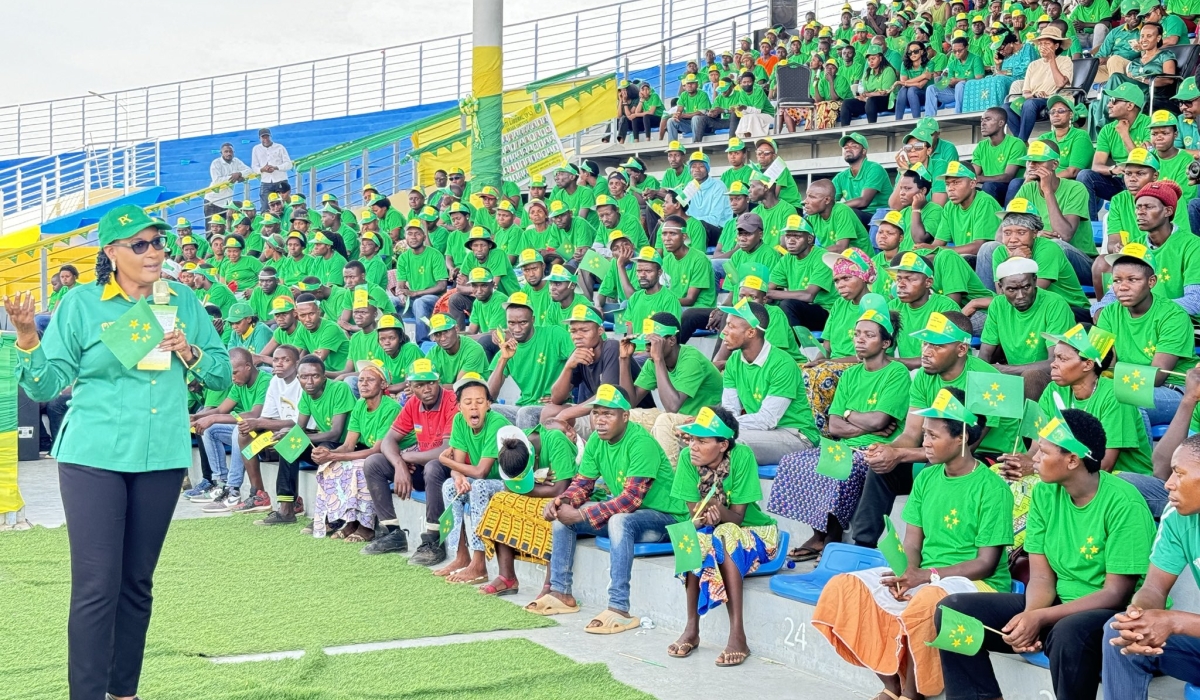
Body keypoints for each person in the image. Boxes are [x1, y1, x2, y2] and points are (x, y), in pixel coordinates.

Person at [5, 204, 231, 700]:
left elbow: (221, 374)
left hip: (162, 457)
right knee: (96, 586)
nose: (155, 253)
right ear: (111, 252)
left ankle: (122, 692)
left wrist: (189, 351)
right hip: (94, 456)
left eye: (158, 243)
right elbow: (46, 385)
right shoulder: (82, 304)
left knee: (137, 584)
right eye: (141, 245)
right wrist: (27, 338)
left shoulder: (183, 299)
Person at [938, 409, 1155, 700]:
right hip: (1057, 605)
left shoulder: (1124, 503)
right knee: (953, 610)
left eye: (1044, 451)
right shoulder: (1043, 493)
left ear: (1073, 460)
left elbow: (1115, 594)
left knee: (1068, 634)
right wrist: (1029, 618)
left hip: (1111, 617)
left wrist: (1041, 617)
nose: (1035, 458)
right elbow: (1040, 575)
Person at [814, 387, 1013, 700]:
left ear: (960, 437)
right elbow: (912, 543)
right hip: (928, 576)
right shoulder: (926, 478)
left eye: (933, 436)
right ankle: (892, 687)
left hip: (976, 584)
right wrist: (905, 574)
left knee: (926, 600)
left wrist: (926, 576)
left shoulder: (992, 487)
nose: (925, 443)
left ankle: (913, 693)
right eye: (924, 434)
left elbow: (985, 563)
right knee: (846, 587)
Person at [525, 385, 687, 634]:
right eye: (596, 413)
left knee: (619, 520)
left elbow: (630, 500)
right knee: (562, 518)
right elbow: (582, 484)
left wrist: (581, 514)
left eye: (608, 414)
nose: (599, 421)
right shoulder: (597, 443)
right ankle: (560, 593)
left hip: (666, 519)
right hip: (632, 517)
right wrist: (563, 502)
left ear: (625, 416)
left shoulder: (640, 443)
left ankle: (619, 607)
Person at [851, 311, 1021, 548]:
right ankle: (862, 546)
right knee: (882, 467)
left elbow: (963, 447)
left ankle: (931, 551)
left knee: (938, 466)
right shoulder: (924, 375)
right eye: (925, 342)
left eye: (937, 345)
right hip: (941, 449)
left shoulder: (987, 379)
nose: (926, 351)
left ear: (961, 350)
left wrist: (900, 454)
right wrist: (886, 449)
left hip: (991, 457)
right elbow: (911, 434)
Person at [770, 305, 910, 562]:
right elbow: (834, 424)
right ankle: (819, 531)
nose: (860, 339)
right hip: (844, 442)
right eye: (857, 334)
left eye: (869, 335)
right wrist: (855, 419)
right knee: (794, 462)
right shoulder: (851, 373)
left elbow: (881, 420)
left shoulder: (896, 373)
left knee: (838, 465)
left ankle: (831, 535)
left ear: (886, 343)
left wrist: (850, 416)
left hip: (874, 448)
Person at [667, 406, 779, 667]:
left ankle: (738, 635)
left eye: (702, 441)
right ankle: (691, 629)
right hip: (712, 529)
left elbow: (738, 518)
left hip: (755, 533)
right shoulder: (687, 459)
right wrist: (708, 518)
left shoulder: (742, 456)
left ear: (723, 445)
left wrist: (718, 515)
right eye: (692, 439)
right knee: (697, 537)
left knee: (725, 532)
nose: (693, 446)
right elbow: (695, 513)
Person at [1102, 432, 1200, 697]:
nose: (1167, 485)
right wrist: (1138, 615)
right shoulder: (1178, 515)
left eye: (1179, 474)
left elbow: (1175, 621)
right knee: (1119, 631)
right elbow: (1155, 588)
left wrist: (1175, 621)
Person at [1096, 238, 1198, 432]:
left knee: (1121, 403)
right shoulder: (1108, 313)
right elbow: (1101, 364)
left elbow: (1157, 376)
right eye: (1117, 280)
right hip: (1125, 386)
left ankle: (1141, 462)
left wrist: (1107, 380)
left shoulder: (1173, 315)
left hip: (1174, 391)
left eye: (1132, 280)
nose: (1122, 287)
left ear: (1151, 282)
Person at [361, 359, 457, 561]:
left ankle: (433, 540)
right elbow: (389, 440)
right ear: (410, 387)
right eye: (419, 385)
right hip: (421, 465)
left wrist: (408, 457)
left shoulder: (451, 401)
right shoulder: (413, 403)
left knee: (433, 466)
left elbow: (447, 450)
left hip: (450, 468)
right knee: (374, 463)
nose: (427, 389)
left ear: (438, 380)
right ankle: (392, 533)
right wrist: (398, 465)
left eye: (430, 382)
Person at [475, 422, 580, 596]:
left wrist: (526, 488)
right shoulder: (510, 446)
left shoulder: (556, 440)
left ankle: (551, 584)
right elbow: (509, 487)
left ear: (531, 456)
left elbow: (559, 490)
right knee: (500, 500)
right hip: (540, 496)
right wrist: (536, 483)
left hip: (570, 499)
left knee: (552, 509)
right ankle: (506, 577)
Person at [1036, 324, 1154, 474]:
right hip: (1069, 473)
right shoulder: (1053, 390)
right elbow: (1038, 448)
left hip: (1123, 480)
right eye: (1055, 357)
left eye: (1062, 358)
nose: (1053, 364)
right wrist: (1024, 463)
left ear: (1088, 364)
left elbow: (1105, 465)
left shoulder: (1115, 396)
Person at [308, 361, 402, 540]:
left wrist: (335, 454)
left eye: (370, 380)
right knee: (333, 464)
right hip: (373, 453)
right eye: (360, 380)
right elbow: (348, 445)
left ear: (383, 385)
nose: (363, 384)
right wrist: (329, 456)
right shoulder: (360, 405)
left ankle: (366, 526)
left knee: (358, 466)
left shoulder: (391, 408)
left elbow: (376, 450)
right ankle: (346, 520)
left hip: (392, 456)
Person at [719, 298, 818, 464]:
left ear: (751, 332)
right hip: (760, 432)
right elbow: (730, 410)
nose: (723, 331)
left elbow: (767, 419)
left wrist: (722, 425)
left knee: (726, 443)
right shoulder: (734, 361)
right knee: (698, 440)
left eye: (731, 326)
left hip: (795, 435)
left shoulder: (783, 364)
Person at [618, 312, 723, 465]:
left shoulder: (691, 359)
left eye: (654, 343)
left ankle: (668, 481)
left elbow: (672, 407)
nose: (648, 348)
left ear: (671, 340)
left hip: (706, 422)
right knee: (626, 416)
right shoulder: (653, 362)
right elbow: (628, 402)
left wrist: (659, 358)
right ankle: (630, 476)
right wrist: (624, 359)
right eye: (647, 343)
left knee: (665, 420)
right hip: (679, 419)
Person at [190, 347, 271, 511]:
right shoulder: (239, 383)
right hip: (250, 430)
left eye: (235, 372)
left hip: (268, 432)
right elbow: (221, 410)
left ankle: (233, 490)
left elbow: (255, 414)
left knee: (238, 430)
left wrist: (212, 418)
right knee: (210, 430)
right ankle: (221, 483)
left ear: (248, 366)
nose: (232, 378)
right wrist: (196, 417)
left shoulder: (265, 380)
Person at [975, 257, 1075, 381]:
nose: (1020, 296)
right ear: (1001, 287)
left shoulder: (1055, 304)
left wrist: (1005, 370)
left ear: (1035, 281)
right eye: (1012, 289)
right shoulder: (998, 305)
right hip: (1014, 377)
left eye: (1026, 287)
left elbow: (1055, 363)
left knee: (1032, 376)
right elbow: (984, 356)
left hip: (1052, 378)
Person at [486, 293, 574, 428]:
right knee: (487, 410)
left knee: (526, 413)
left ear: (533, 319)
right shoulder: (507, 349)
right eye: (511, 323)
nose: (517, 329)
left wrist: (565, 392)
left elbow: (579, 360)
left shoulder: (554, 334)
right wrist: (503, 359)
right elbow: (490, 396)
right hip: (523, 407)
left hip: (553, 406)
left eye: (523, 322)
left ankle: (528, 449)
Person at [1087, 21, 1177, 136]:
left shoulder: (1165, 55)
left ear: (1158, 38)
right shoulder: (1136, 62)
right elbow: (1130, 79)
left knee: (1116, 77)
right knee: (1094, 104)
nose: (1144, 39)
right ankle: (1098, 139)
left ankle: (1104, 126)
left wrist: (1144, 80)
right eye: (1142, 36)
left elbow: (1169, 79)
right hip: (1133, 95)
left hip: (1153, 92)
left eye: (1149, 36)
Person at [1078, 83, 1153, 220]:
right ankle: (1092, 227)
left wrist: (1124, 134)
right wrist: (1113, 169)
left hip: (1143, 180)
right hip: (1119, 180)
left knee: (1141, 175)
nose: (1108, 105)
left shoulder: (1150, 124)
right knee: (1085, 175)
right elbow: (1096, 166)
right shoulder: (1107, 129)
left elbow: (1142, 163)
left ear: (1130, 106)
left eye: (1113, 101)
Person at [768, 215, 836, 331]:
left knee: (787, 304)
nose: (791, 241)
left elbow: (808, 295)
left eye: (796, 236)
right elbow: (768, 288)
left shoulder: (822, 257)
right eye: (788, 236)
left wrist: (769, 294)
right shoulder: (786, 259)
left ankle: (794, 346)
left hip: (826, 313)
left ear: (809, 239)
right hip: (800, 309)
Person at [1004, 26, 1072, 141]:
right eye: (1040, 44)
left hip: (1055, 99)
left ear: (1056, 46)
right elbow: (1026, 93)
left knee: (1029, 104)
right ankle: (1023, 142)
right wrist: (1035, 95)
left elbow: (1061, 83)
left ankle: (1020, 143)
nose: (1042, 47)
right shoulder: (1033, 65)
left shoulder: (1065, 60)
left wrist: (1052, 60)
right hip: (1035, 99)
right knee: (1006, 107)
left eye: (1046, 44)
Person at [832, 133, 893, 227]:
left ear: (864, 151)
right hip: (857, 214)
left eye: (854, 146)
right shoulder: (841, 177)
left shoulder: (874, 168)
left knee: (846, 213)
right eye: (846, 147)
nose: (848, 149)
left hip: (880, 216)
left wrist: (837, 208)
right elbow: (828, 199)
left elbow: (864, 201)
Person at [839, 45, 898, 125]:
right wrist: (863, 97)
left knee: (871, 101)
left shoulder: (888, 70)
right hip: (869, 102)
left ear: (880, 58)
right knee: (846, 103)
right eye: (869, 59)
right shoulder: (867, 72)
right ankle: (845, 132)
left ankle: (871, 128)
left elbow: (885, 93)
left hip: (887, 102)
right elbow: (864, 91)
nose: (871, 61)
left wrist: (867, 95)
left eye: (873, 58)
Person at [926, 36, 984, 115]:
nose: (957, 53)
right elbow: (950, 81)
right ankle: (929, 119)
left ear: (966, 47)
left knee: (960, 85)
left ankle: (958, 114)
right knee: (931, 88)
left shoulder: (976, 59)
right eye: (954, 51)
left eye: (960, 50)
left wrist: (959, 80)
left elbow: (979, 79)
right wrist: (945, 81)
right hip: (955, 92)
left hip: (972, 91)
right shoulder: (953, 63)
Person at [250, 128, 292, 212]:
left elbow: (289, 164)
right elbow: (254, 167)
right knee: (266, 207)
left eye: (267, 137)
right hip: (266, 181)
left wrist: (276, 167)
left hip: (280, 180)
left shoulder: (280, 147)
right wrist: (262, 169)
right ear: (260, 138)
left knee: (285, 206)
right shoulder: (256, 149)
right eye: (263, 137)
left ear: (270, 136)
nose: (265, 139)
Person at [667, 74, 716, 143]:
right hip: (690, 124)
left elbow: (700, 112)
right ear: (685, 85)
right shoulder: (683, 95)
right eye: (688, 83)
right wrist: (677, 115)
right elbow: (679, 109)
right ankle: (673, 146)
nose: (690, 85)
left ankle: (696, 143)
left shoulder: (703, 94)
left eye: (692, 83)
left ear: (697, 84)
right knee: (671, 121)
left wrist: (683, 115)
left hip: (703, 125)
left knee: (695, 118)